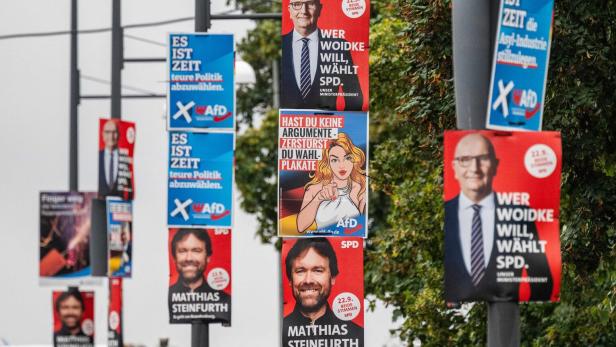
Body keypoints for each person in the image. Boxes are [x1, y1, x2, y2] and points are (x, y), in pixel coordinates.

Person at [444, 133, 553, 302]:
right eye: (465, 159)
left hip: (509, 316)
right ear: (454, 167)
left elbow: (542, 281)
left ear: (495, 165)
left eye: (483, 158)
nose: (475, 168)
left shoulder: (518, 214)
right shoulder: (447, 214)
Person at [281, 0, 363, 110]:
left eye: (310, 4)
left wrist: (340, 124)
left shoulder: (338, 47)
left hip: (328, 124)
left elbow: (354, 98)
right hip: (288, 125)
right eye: (297, 4)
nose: (303, 10)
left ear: (319, 9)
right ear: (289, 10)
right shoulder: (281, 44)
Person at [283, 238, 363, 346]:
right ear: (290, 279)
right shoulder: (278, 334)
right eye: (300, 271)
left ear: (333, 277)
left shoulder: (356, 335)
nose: (308, 280)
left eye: (318, 270)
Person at [297, 133, 366, 233]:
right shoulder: (315, 189)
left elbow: (360, 229)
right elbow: (300, 226)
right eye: (334, 160)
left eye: (347, 158)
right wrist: (319, 198)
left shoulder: (360, 188)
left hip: (349, 245)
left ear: (354, 159)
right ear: (327, 163)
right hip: (321, 244)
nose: (341, 165)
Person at [168, 229, 230, 323]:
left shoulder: (225, 300)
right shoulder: (163, 301)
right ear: (174, 258)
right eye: (182, 251)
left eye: (196, 251)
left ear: (208, 257)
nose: (189, 258)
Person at [98, 120, 120, 197]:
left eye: (114, 132)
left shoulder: (125, 157)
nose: (111, 136)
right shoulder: (97, 157)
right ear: (103, 134)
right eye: (107, 132)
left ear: (119, 134)